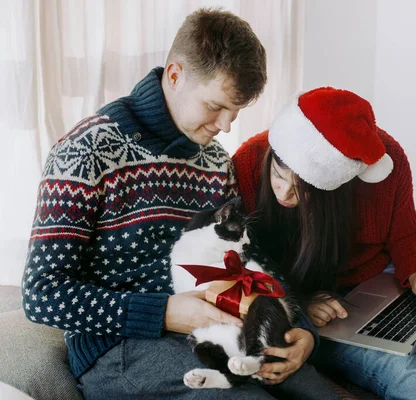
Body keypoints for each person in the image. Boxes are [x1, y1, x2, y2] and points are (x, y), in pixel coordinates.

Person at [22, 9, 338, 400]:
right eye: (215, 106)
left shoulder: (216, 161)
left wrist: (304, 330)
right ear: (175, 75)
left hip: (222, 327)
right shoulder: (84, 152)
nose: (226, 125)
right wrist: (164, 312)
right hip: (119, 347)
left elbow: (251, 257)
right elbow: (42, 294)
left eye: (236, 112)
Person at [232, 87, 416, 400]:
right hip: (321, 309)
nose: (283, 194)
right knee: (409, 371)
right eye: (279, 175)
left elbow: (406, 231)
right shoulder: (249, 161)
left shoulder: (383, 160)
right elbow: (246, 264)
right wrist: (299, 304)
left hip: (383, 282)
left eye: (303, 191)